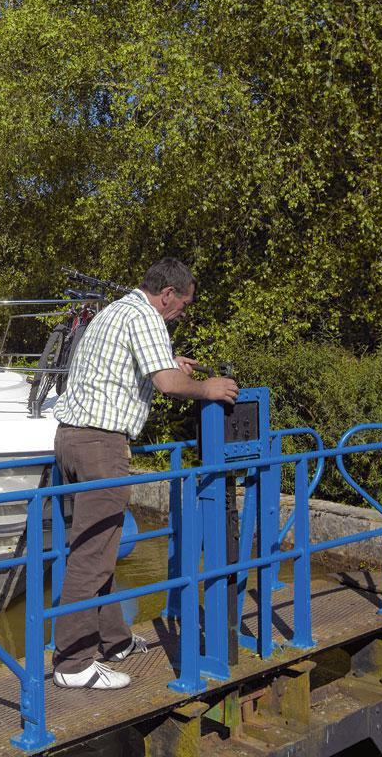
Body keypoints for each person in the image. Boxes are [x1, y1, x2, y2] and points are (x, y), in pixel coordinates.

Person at [51, 258, 238, 691]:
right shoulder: (148, 316)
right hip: (101, 444)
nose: (182, 312)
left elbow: (128, 368)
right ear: (167, 294)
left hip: (71, 441)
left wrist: (170, 362)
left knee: (99, 545)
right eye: (183, 304)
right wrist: (207, 387)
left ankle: (113, 641)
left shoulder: (115, 311)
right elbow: (168, 384)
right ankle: (73, 663)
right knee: (92, 553)